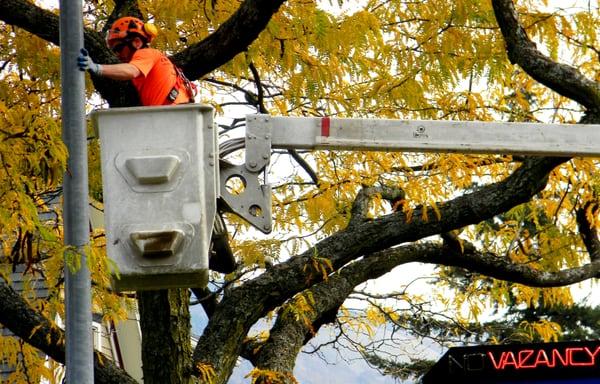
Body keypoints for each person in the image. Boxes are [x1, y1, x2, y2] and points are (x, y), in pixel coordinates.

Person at [77, 16, 195, 106]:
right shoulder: (155, 66)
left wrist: (96, 67)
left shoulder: (146, 53)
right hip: (171, 116)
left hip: (173, 116)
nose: (117, 54)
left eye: (119, 48)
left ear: (137, 42)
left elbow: (131, 71)